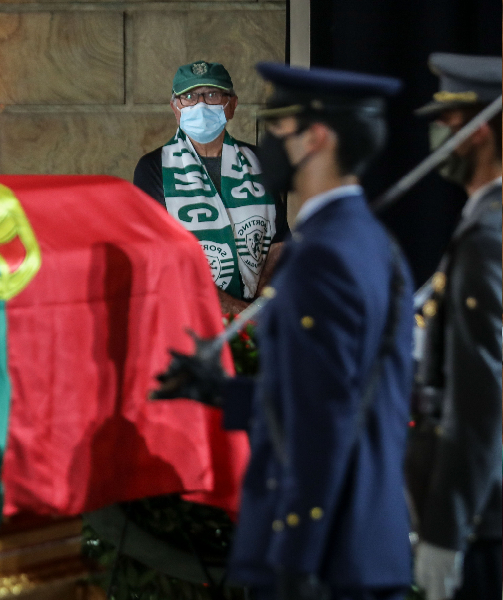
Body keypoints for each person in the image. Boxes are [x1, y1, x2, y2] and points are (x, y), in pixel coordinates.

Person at [153, 63, 415, 599]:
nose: (267, 141)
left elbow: (324, 423)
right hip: (352, 545)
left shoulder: (323, 255)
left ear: (314, 138)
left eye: (278, 127)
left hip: (325, 553)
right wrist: (225, 394)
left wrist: (293, 555)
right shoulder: (368, 239)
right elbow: (319, 394)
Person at [410, 53, 502, 600]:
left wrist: (446, 530)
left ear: (478, 131)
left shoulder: (487, 236)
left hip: (482, 518)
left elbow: (478, 396)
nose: (440, 137)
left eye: (447, 123)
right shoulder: (484, 223)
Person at [133, 60, 289, 314]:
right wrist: (241, 313)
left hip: (257, 319)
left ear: (232, 105)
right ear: (175, 108)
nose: (201, 104)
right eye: (189, 96)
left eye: (212, 95)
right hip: (188, 317)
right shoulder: (154, 167)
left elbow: (279, 242)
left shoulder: (260, 161)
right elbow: (161, 256)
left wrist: (260, 309)